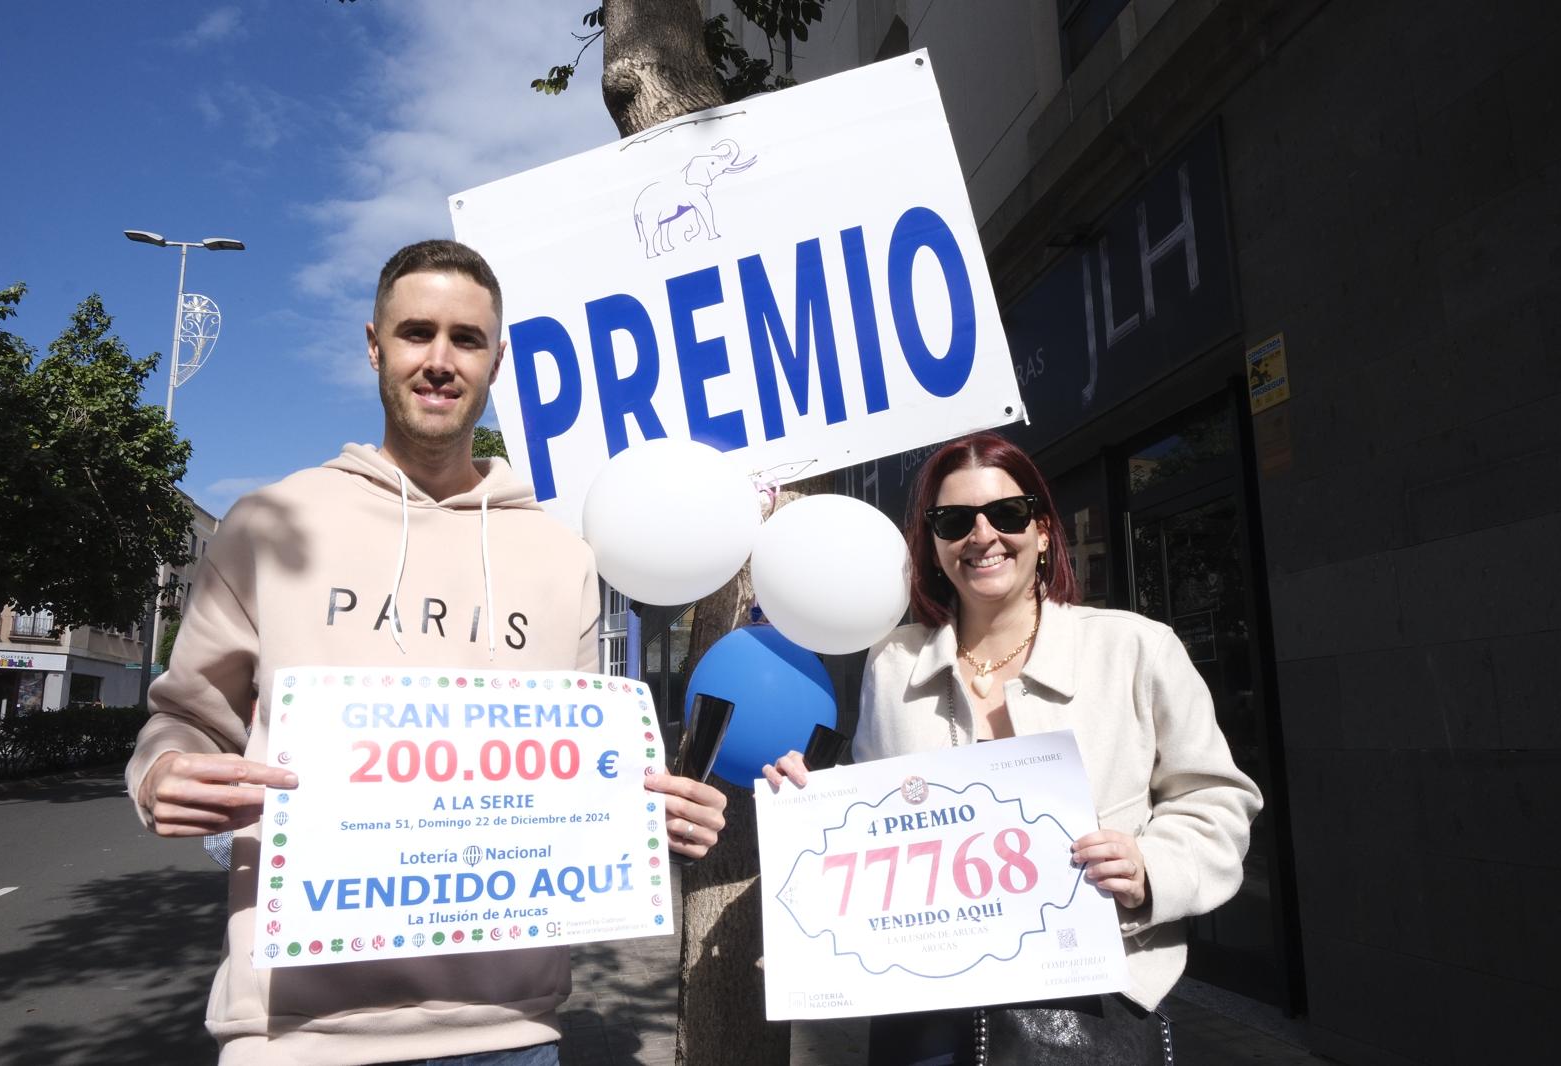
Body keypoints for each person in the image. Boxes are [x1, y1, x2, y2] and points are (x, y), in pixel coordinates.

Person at [127, 239, 728, 1066]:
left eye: (467, 339)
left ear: (496, 359)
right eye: (416, 333)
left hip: (511, 1033)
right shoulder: (268, 525)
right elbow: (185, 720)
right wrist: (161, 774)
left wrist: (652, 818)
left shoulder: (563, 557)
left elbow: (580, 779)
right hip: (293, 1034)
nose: (439, 361)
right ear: (374, 345)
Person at [763, 431, 1262, 1064]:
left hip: (1090, 1001)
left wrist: (1149, 868)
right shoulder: (893, 662)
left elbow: (1217, 801)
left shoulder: (1136, 649)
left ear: (1045, 530)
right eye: (952, 521)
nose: (982, 536)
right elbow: (878, 816)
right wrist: (812, 805)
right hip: (924, 1009)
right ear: (933, 545)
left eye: (1006, 513)